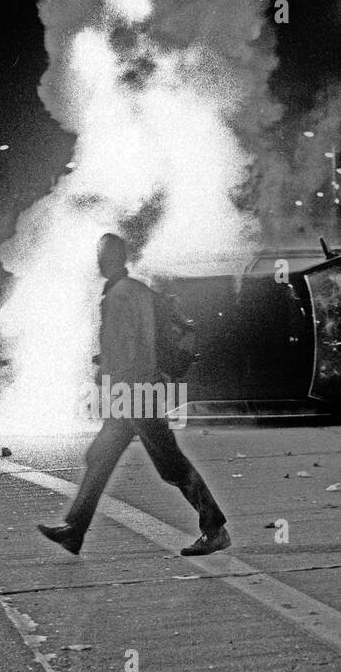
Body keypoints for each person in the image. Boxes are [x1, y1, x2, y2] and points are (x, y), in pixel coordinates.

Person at [38, 233, 229, 557]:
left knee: (171, 463)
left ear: (113, 259)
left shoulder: (120, 295)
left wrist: (106, 378)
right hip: (134, 390)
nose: (98, 261)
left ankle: (214, 530)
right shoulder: (139, 291)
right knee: (100, 457)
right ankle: (75, 530)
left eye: (102, 255)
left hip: (135, 393)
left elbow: (126, 349)